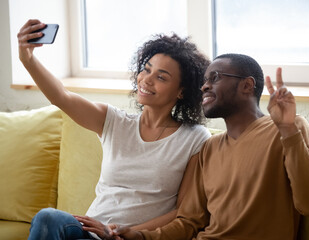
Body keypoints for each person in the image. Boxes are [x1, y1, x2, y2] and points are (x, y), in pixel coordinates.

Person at [17, 19, 212, 240]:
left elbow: (182, 212)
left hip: (130, 237)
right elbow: (62, 97)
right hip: (87, 234)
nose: (146, 80)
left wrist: (125, 232)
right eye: (146, 70)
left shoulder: (194, 139)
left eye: (161, 77)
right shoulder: (114, 122)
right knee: (48, 218)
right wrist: (28, 59)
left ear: (182, 92)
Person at [114, 53, 309, 240]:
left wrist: (288, 130)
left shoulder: (287, 129)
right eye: (204, 80)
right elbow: (189, 221)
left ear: (246, 85)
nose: (204, 86)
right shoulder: (209, 148)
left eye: (215, 77)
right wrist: (141, 236)